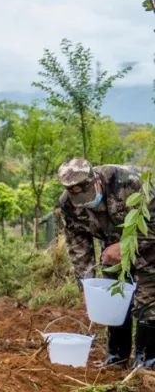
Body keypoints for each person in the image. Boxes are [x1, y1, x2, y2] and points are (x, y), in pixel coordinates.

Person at [56, 158, 155, 369]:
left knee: (148, 300)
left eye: (88, 194)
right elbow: (78, 247)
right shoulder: (68, 205)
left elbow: (153, 222)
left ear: (95, 180)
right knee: (114, 300)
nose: (86, 201)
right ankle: (116, 359)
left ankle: (147, 363)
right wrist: (88, 286)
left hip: (149, 246)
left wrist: (125, 246)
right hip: (111, 252)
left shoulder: (128, 182)